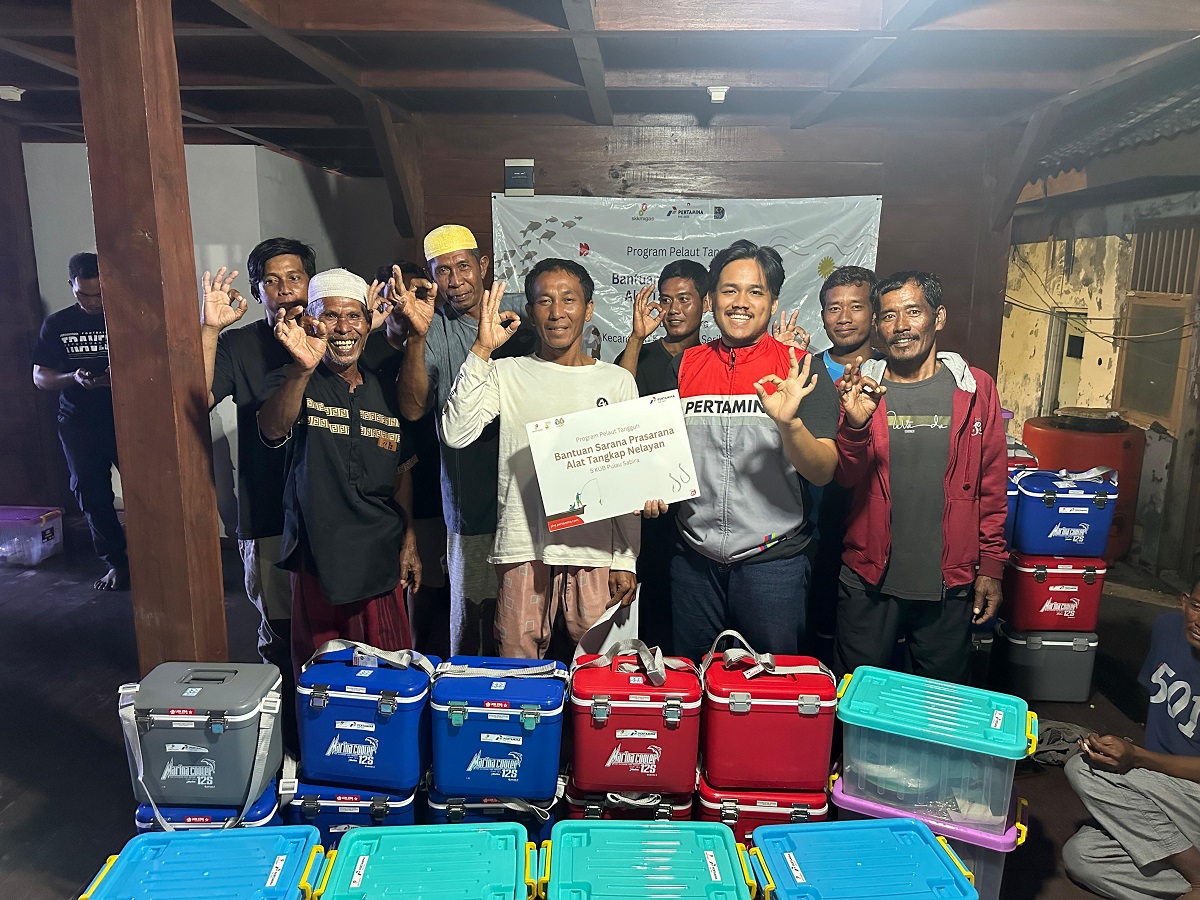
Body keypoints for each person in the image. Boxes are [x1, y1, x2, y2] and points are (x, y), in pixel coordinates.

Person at [440, 258, 639, 659]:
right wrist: (481, 349)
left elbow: (627, 478)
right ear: (531, 313)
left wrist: (626, 559)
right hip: (523, 544)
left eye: (569, 299)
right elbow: (455, 432)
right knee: (517, 660)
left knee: (601, 666)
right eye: (545, 301)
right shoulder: (506, 372)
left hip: (595, 548)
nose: (557, 312)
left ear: (589, 308)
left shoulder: (617, 381)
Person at [833, 270, 1006, 684]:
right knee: (856, 699)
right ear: (878, 327)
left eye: (913, 312)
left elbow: (992, 485)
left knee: (939, 705)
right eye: (888, 316)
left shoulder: (975, 389)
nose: (901, 326)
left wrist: (992, 567)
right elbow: (844, 477)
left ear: (938, 317)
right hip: (868, 580)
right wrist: (854, 426)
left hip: (949, 582)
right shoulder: (860, 387)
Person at [669, 240, 839, 661]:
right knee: (694, 680)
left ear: (773, 302)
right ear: (712, 299)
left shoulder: (801, 369)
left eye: (755, 291)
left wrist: (789, 423)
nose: (741, 302)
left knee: (768, 687)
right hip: (694, 562)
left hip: (773, 563)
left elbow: (823, 470)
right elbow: (661, 453)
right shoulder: (685, 365)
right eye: (729, 290)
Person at [257, 268, 420, 677]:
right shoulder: (294, 379)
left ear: (368, 323)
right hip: (318, 559)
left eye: (353, 316)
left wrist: (410, 540)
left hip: (379, 559)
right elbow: (273, 428)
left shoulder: (385, 389)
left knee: (388, 675)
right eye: (330, 315)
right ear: (312, 320)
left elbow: (401, 471)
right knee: (323, 678)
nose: (343, 328)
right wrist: (302, 369)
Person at [395, 224, 534, 657]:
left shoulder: (523, 310)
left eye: (463, 267)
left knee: (530, 622)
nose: (455, 280)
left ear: (483, 265)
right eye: (442, 271)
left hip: (534, 501)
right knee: (473, 623)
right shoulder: (434, 325)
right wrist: (415, 337)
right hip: (471, 503)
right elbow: (413, 409)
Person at [200, 237, 315, 701]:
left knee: (333, 631)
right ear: (257, 290)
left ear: (310, 282)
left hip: (331, 512)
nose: (285, 289)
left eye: (294, 277)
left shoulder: (334, 336)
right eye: (271, 280)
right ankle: (282, 725)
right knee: (280, 630)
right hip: (267, 507)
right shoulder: (239, 344)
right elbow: (197, 398)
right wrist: (209, 330)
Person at [1063, 583, 1200, 900]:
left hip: (1190, 794)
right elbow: (1158, 717)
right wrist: (1125, 751)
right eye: (1197, 607)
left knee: (1083, 770)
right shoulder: (1167, 630)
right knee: (1081, 855)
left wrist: (1137, 758)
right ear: (1184, 603)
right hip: (1167, 789)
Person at [615, 259, 710, 652]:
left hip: (701, 505)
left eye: (684, 299)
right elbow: (616, 400)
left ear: (706, 303)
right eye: (666, 299)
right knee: (649, 608)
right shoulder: (642, 354)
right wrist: (636, 338)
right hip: (648, 505)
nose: (673, 309)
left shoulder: (714, 357)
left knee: (691, 613)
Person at [361, 260, 451, 658]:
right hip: (399, 494)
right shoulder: (366, 355)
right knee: (415, 599)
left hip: (448, 485)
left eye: (415, 291)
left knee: (448, 598)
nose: (405, 300)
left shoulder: (441, 342)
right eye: (396, 292)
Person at [32, 252, 128, 591]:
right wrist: (72, 377)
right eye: (84, 294)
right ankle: (116, 563)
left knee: (147, 491)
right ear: (71, 286)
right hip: (79, 421)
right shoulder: (57, 324)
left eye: (99, 294)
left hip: (127, 418)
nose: (93, 301)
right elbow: (40, 377)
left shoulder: (127, 317)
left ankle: (155, 559)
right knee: (91, 493)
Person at [808, 265, 878, 656]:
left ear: (873, 312)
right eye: (834, 308)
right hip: (812, 530)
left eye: (856, 306)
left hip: (872, 530)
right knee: (814, 638)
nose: (844, 317)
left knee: (864, 646)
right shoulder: (806, 370)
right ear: (822, 316)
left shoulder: (891, 371)